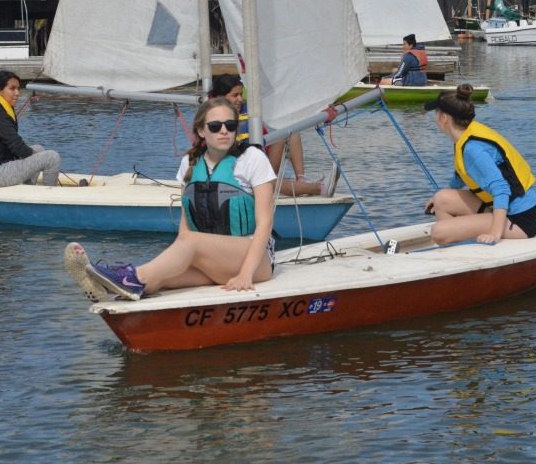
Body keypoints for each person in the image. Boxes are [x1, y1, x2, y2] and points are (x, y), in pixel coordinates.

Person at [64, 97, 277, 301]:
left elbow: (265, 223)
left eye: (230, 125)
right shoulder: (189, 163)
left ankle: (128, 276)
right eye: (215, 126)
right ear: (202, 131)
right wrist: (181, 260)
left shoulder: (252, 158)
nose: (224, 131)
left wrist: (246, 274)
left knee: (187, 244)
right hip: (214, 261)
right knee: (158, 280)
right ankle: (103, 287)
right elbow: (185, 228)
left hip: (256, 260)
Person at [422, 84, 536, 246]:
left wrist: (494, 233)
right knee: (441, 199)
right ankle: (455, 242)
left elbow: (502, 190)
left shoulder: (473, 149)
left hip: (520, 219)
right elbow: (460, 174)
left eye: (436, 113)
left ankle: (453, 238)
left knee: (439, 232)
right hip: (500, 208)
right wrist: (438, 197)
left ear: (444, 119)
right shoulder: (464, 135)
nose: (435, 117)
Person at [208, 74, 339, 197]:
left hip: (256, 165)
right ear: (221, 97)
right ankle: (320, 188)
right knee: (266, 183)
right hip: (234, 177)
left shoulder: (250, 108)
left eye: (241, 94)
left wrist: (319, 112)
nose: (240, 99)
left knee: (288, 131)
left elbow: (285, 112)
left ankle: (301, 179)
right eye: (235, 95)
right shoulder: (213, 120)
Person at [0, 70, 61, 187]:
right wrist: (32, 154)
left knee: (40, 149)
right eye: (12, 89)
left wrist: (34, 153)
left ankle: (28, 189)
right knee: (52, 158)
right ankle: (50, 197)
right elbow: (16, 145)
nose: (17, 93)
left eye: (18, 88)